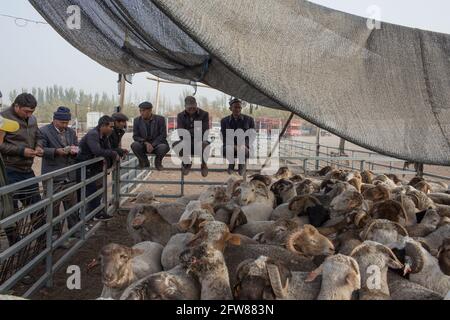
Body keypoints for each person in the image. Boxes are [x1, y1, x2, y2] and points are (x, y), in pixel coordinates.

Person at [0, 93, 44, 241]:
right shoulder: (3, 118)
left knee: (37, 207)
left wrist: (38, 146)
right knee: (10, 211)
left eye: (32, 112)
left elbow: (39, 136)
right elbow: (0, 145)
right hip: (9, 170)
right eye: (26, 111)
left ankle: (43, 242)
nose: (29, 115)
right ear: (16, 106)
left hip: (27, 170)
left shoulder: (32, 119)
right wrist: (21, 151)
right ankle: (15, 244)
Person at [39, 106, 79, 237]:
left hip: (69, 175)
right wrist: (56, 151)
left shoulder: (71, 132)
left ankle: (74, 230)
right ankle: (55, 234)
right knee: (53, 208)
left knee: (72, 205)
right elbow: (40, 150)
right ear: (54, 120)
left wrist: (75, 151)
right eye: (62, 122)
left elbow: (77, 146)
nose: (65, 125)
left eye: (67, 123)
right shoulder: (43, 131)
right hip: (53, 175)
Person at [77, 115, 118, 221]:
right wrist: (113, 153)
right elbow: (97, 151)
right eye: (110, 127)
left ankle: (93, 215)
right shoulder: (93, 134)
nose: (112, 129)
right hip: (83, 166)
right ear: (103, 126)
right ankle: (93, 215)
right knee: (89, 191)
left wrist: (116, 152)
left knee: (94, 191)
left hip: (91, 167)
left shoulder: (103, 136)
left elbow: (107, 149)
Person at [173, 96, 210, 177]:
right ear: (185, 106)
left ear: (196, 105)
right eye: (189, 107)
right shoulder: (180, 115)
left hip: (200, 142)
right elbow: (181, 133)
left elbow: (205, 131)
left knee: (205, 145)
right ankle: (187, 163)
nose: (192, 109)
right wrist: (196, 130)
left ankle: (204, 164)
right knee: (175, 145)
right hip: (186, 142)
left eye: (193, 107)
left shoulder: (204, 114)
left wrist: (188, 132)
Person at [220, 98, 255, 175]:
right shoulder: (224, 121)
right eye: (235, 107)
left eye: (239, 107)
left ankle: (242, 165)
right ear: (230, 108)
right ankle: (231, 163)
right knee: (227, 149)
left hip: (245, 147)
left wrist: (245, 144)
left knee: (244, 150)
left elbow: (252, 136)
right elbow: (224, 136)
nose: (237, 109)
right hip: (230, 146)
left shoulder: (249, 120)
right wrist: (233, 145)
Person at [131, 101, 169, 170]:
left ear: (150, 110)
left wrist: (153, 144)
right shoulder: (137, 120)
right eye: (140, 111)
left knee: (164, 147)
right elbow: (135, 136)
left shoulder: (160, 119)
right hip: (143, 145)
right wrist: (146, 143)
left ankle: (158, 162)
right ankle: (144, 162)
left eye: (143, 110)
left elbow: (163, 135)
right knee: (134, 145)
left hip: (157, 145)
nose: (141, 113)